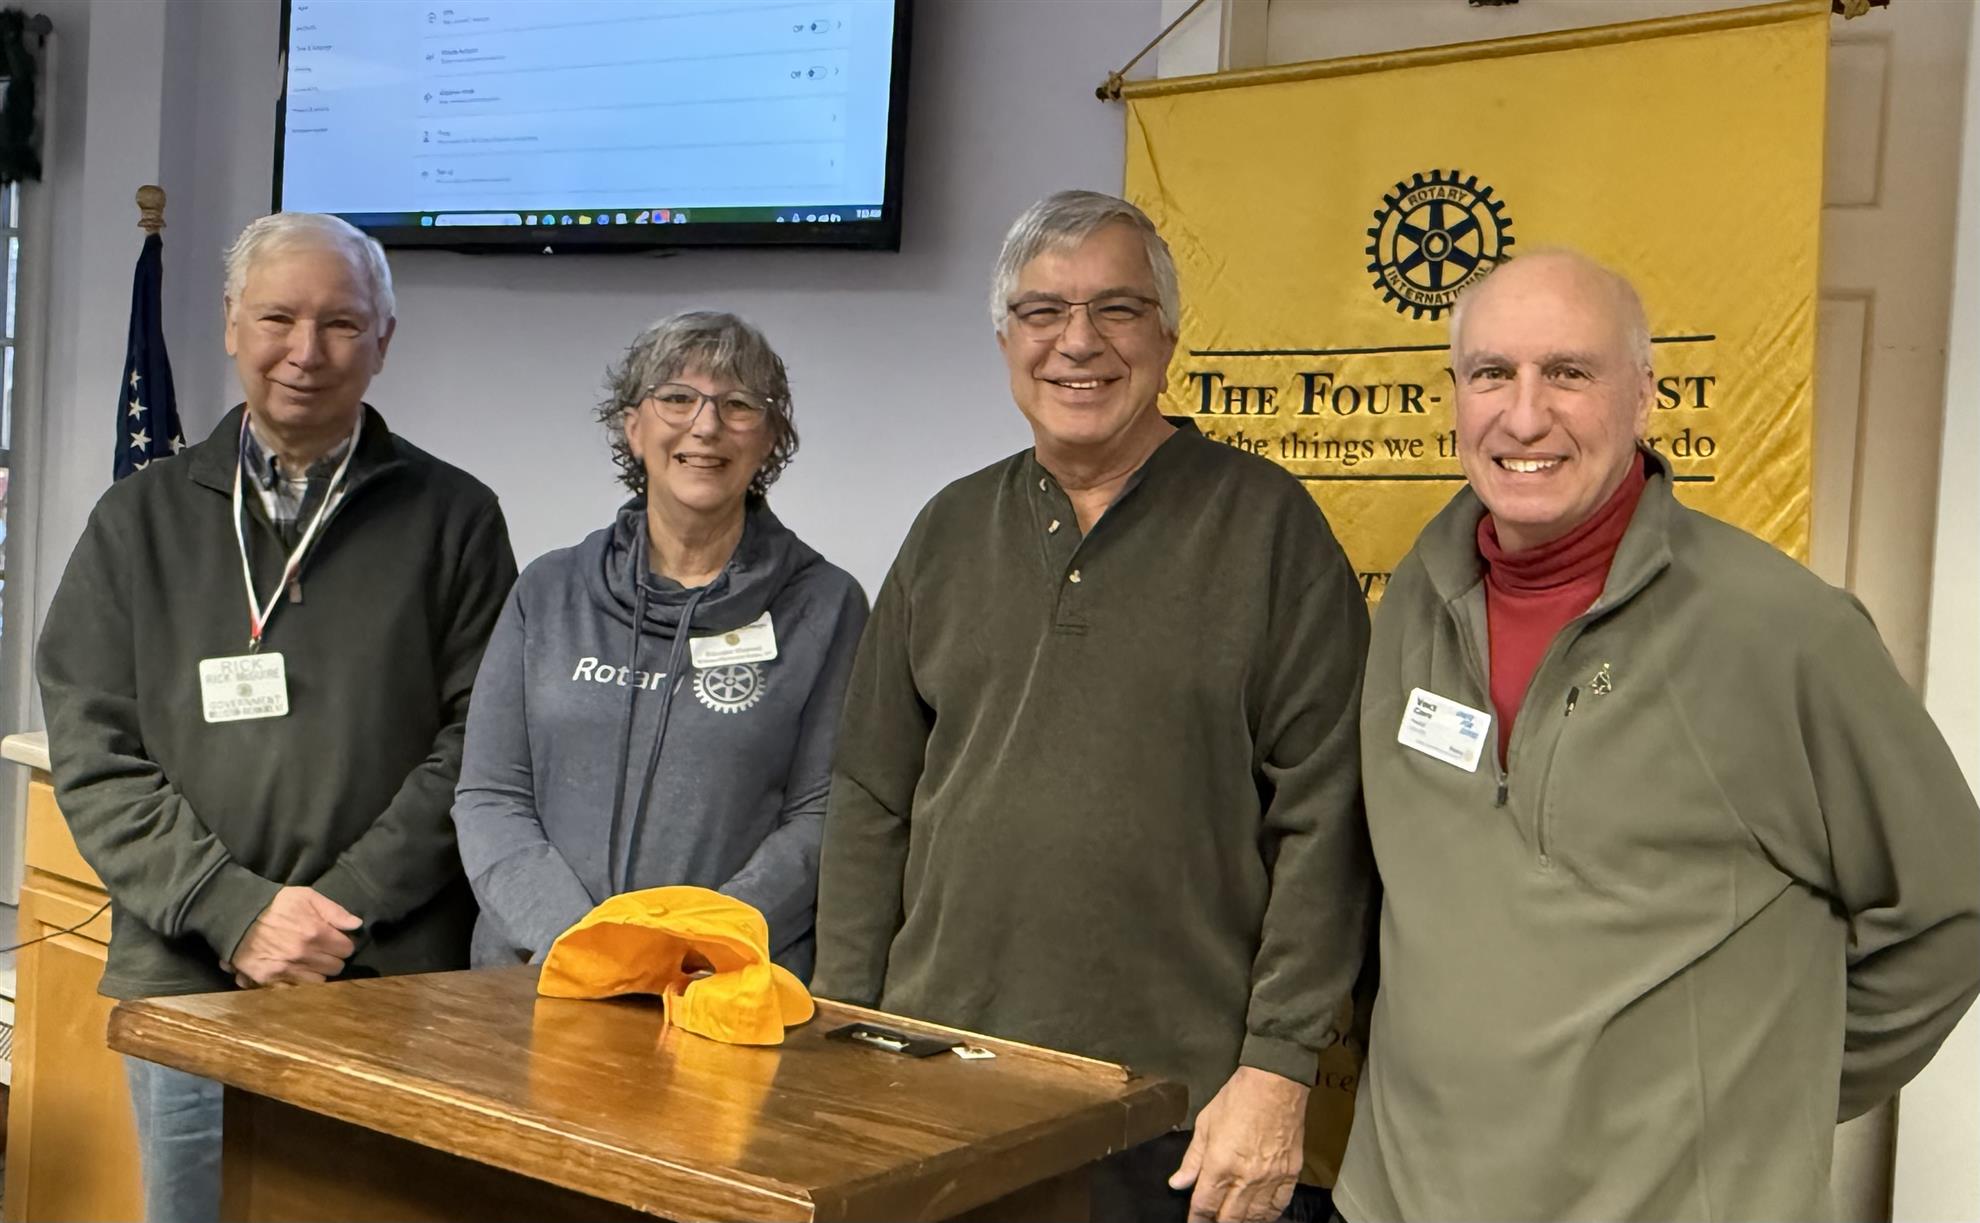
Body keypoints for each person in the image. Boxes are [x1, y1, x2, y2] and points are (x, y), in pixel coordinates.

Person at [1337, 249, 1980, 1221]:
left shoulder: (1784, 634)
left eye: (1568, 372)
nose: (1524, 415)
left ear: (1643, 394)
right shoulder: (1415, 606)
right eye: (1492, 373)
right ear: (1455, 395)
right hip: (1400, 1198)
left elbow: (1950, 911)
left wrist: (1766, 1101)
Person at [812, 191, 1373, 1223]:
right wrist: (847, 1027)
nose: (1078, 341)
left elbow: (1327, 817)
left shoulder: (1269, 529)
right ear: (1006, 341)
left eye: (1117, 308)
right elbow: (870, 795)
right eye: (1043, 311)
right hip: (937, 1080)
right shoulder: (947, 529)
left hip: (1174, 1110)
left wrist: (1279, 1065)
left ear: (1167, 335)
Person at [37, 211, 517, 1222]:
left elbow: (481, 744)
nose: (307, 351)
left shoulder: (456, 519)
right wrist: (237, 910)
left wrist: (337, 908)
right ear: (230, 324)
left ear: (384, 339)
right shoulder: (137, 520)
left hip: (389, 976)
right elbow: (94, 746)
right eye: (278, 317)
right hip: (189, 979)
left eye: (341, 323)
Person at [453, 311, 867, 978]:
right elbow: (490, 796)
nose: (706, 426)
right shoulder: (548, 591)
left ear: (770, 438)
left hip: (717, 983)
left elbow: (824, 814)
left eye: (738, 405)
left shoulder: (825, 605)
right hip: (535, 978)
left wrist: (695, 945)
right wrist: (588, 944)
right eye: (677, 398)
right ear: (632, 425)